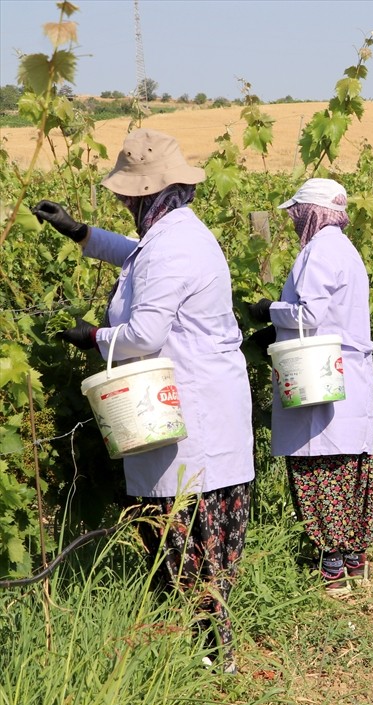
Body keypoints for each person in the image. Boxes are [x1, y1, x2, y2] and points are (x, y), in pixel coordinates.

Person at [33, 128, 255, 671]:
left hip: (190, 413)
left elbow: (143, 335)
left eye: (129, 195)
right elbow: (135, 254)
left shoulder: (172, 245)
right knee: (193, 539)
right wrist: (80, 232)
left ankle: (204, 664)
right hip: (197, 406)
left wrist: (93, 338)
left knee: (189, 537)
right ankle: (206, 660)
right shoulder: (174, 231)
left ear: (146, 194)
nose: (126, 203)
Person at [247, 178, 373, 596]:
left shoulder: (319, 250)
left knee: (317, 464)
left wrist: (269, 312)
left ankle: (333, 567)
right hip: (346, 371)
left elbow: (310, 315)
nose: (293, 221)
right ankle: (355, 560)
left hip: (318, 373)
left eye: (297, 212)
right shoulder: (345, 249)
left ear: (313, 212)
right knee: (348, 464)